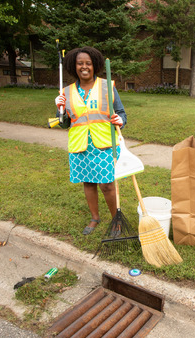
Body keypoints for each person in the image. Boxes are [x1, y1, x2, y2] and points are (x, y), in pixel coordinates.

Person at [55, 46, 127, 235]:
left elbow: (121, 113)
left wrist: (121, 120)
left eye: (88, 63)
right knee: (88, 182)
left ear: (94, 66)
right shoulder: (67, 92)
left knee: (107, 185)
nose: (84, 67)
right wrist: (59, 109)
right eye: (80, 63)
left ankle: (116, 220)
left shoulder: (107, 86)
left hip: (104, 143)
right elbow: (64, 123)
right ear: (74, 66)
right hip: (81, 144)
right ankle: (95, 217)